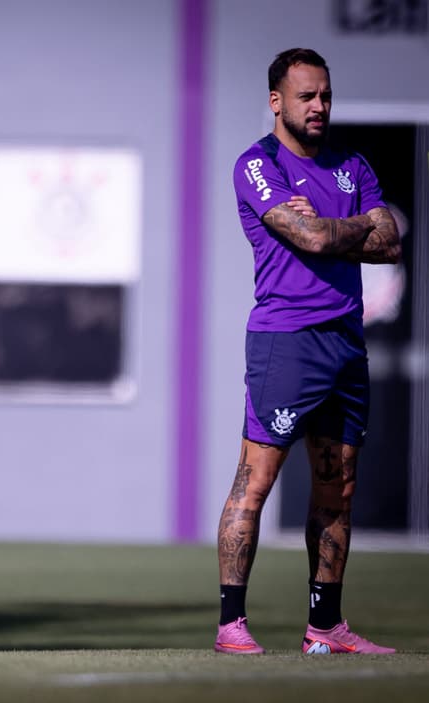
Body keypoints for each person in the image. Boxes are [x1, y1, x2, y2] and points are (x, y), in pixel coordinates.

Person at [214, 48, 401, 655]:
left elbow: (390, 242)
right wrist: (351, 226)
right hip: (286, 342)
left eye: (325, 96)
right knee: (256, 480)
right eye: (306, 96)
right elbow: (313, 237)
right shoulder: (257, 164)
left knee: (338, 488)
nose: (319, 106)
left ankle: (325, 627)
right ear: (277, 102)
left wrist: (329, 225)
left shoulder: (352, 164)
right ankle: (231, 625)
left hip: (346, 341)